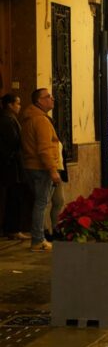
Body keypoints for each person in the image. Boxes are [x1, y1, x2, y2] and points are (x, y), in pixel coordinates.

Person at [20, 88, 60, 252]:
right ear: (39, 101)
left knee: (40, 203)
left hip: (31, 166)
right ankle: (38, 240)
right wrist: (52, 169)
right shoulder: (41, 121)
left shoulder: (29, 118)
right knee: (41, 204)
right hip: (41, 167)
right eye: (48, 97)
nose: (52, 99)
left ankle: (39, 238)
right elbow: (44, 148)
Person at [0, 93, 30, 240]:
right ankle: (13, 229)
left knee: (14, 197)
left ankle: (12, 228)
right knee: (14, 198)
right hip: (12, 166)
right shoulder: (7, 121)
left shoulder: (10, 119)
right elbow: (14, 142)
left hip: (13, 165)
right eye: (17, 103)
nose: (19, 106)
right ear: (9, 105)